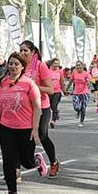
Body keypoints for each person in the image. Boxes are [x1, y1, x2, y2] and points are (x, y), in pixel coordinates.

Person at [0, 53, 47, 194]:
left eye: (16, 64)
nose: (13, 66)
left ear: (22, 67)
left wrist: (35, 130)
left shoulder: (29, 84)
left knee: (26, 162)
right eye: (11, 64)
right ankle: (12, 192)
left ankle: (36, 161)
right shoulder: (2, 83)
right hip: (7, 128)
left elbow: (37, 108)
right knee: (8, 161)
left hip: (25, 128)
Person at [20, 40, 60, 177]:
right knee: (25, 138)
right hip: (26, 108)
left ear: (33, 52)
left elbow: (50, 89)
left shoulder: (40, 66)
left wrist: (33, 86)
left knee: (42, 135)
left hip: (42, 106)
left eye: (25, 50)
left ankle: (54, 162)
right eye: (21, 50)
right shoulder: (20, 66)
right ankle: (22, 167)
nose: (22, 53)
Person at [71, 62, 92, 126]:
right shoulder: (74, 73)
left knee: (83, 108)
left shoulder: (86, 74)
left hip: (84, 93)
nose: (78, 66)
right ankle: (78, 111)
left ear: (82, 66)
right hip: (76, 93)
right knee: (76, 107)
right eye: (76, 65)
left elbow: (89, 80)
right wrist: (65, 89)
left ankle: (81, 121)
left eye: (79, 65)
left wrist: (88, 82)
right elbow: (70, 81)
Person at [47, 58, 64, 127]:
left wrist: (64, 90)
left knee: (54, 105)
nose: (57, 65)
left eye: (57, 63)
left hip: (57, 91)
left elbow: (62, 82)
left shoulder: (60, 71)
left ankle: (53, 121)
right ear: (51, 64)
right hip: (49, 91)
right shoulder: (47, 71)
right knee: (50, 106)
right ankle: (57, 112)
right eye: (55, 63)